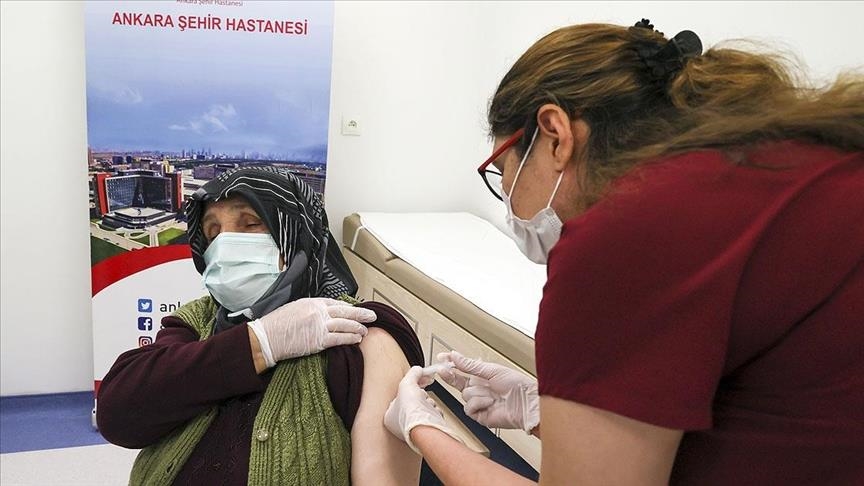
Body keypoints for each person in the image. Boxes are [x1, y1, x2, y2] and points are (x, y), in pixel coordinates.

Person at [384, 19, 864, 485]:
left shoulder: (622, 237)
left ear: (555, 135)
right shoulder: (762, 166)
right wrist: (541, 412)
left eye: (502, 170)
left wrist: (424, 429)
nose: (508, 199)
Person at [97, 166, 424, 485]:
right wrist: (260, 342)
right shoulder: (198, 319)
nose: (225, 245)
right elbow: (117, 414)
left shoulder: (358, 331)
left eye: (251, 223)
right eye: (213, 232)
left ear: (296, 230)